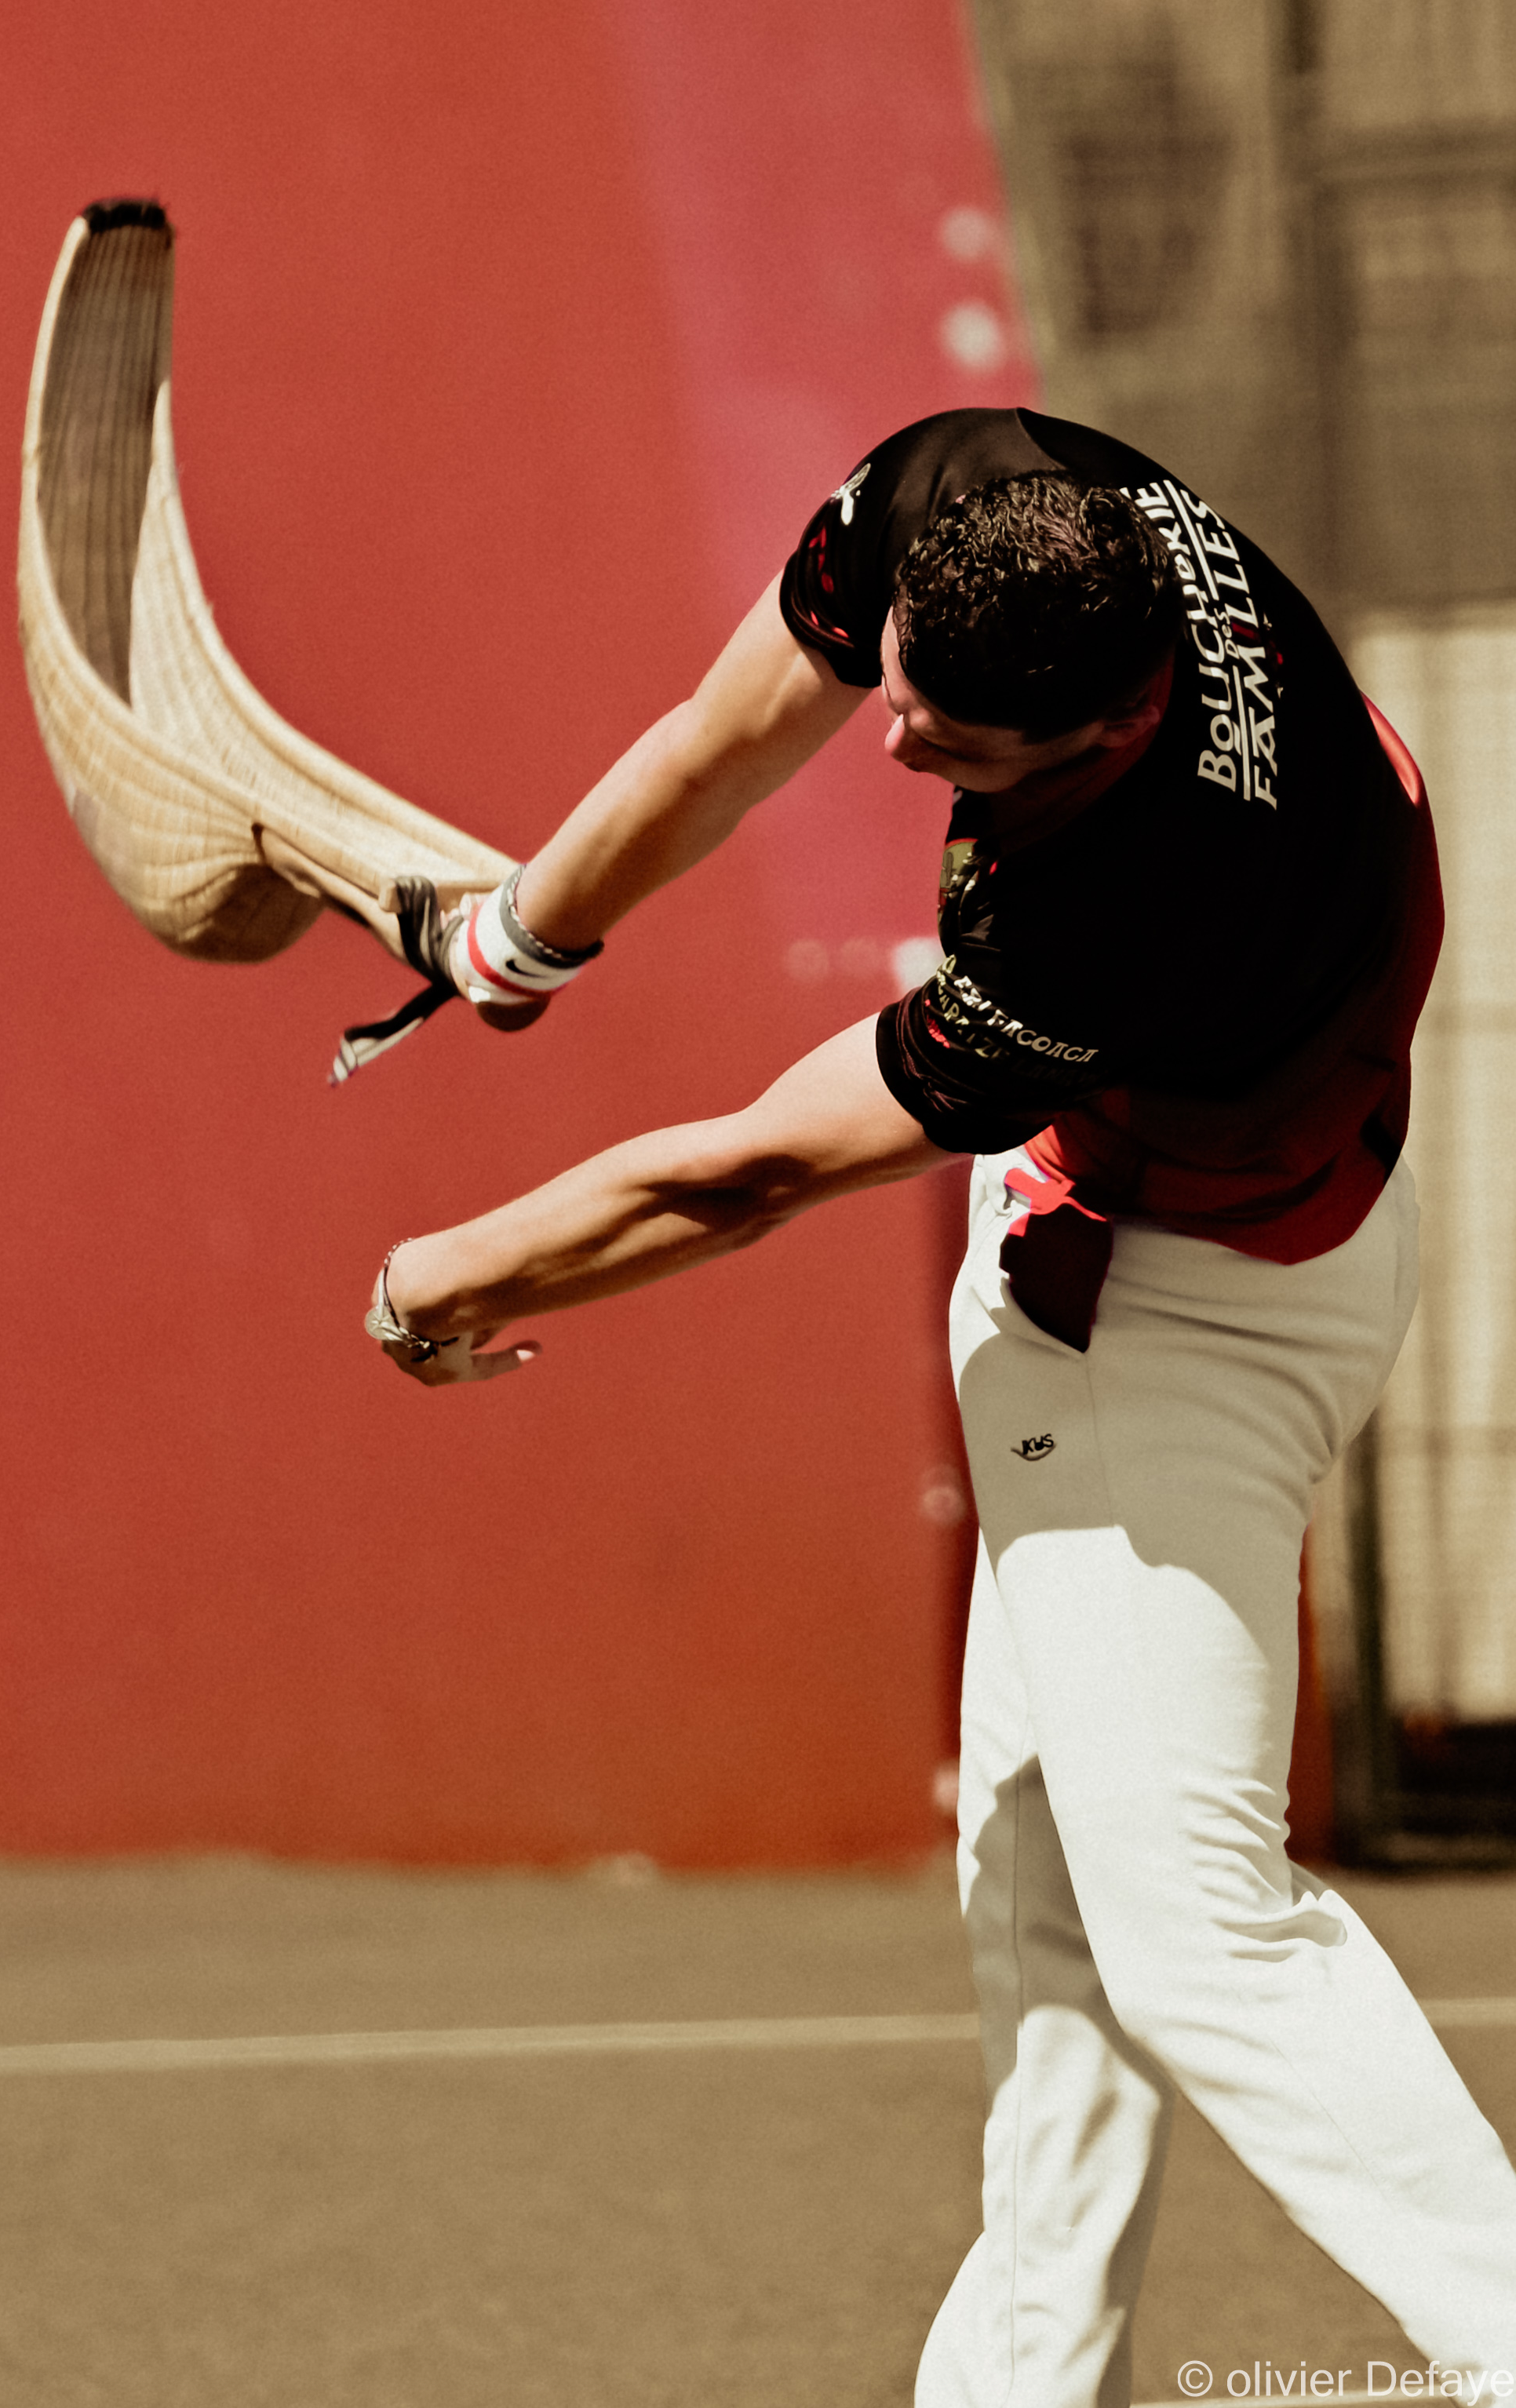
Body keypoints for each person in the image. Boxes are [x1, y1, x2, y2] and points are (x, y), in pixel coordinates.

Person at [365, 408, 1516, 2406]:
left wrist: (444, 1272)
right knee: (1048, 1911)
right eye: (900, 681)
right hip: (1197, 1233)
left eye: (956, 748)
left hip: (1169, 1327)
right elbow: (735, 727)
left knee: (1196, 1934)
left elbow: (740, 1175)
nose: (893, 743)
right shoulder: (987, 484)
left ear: (1114, 724)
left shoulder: (1135, 904)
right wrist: (524, 928)